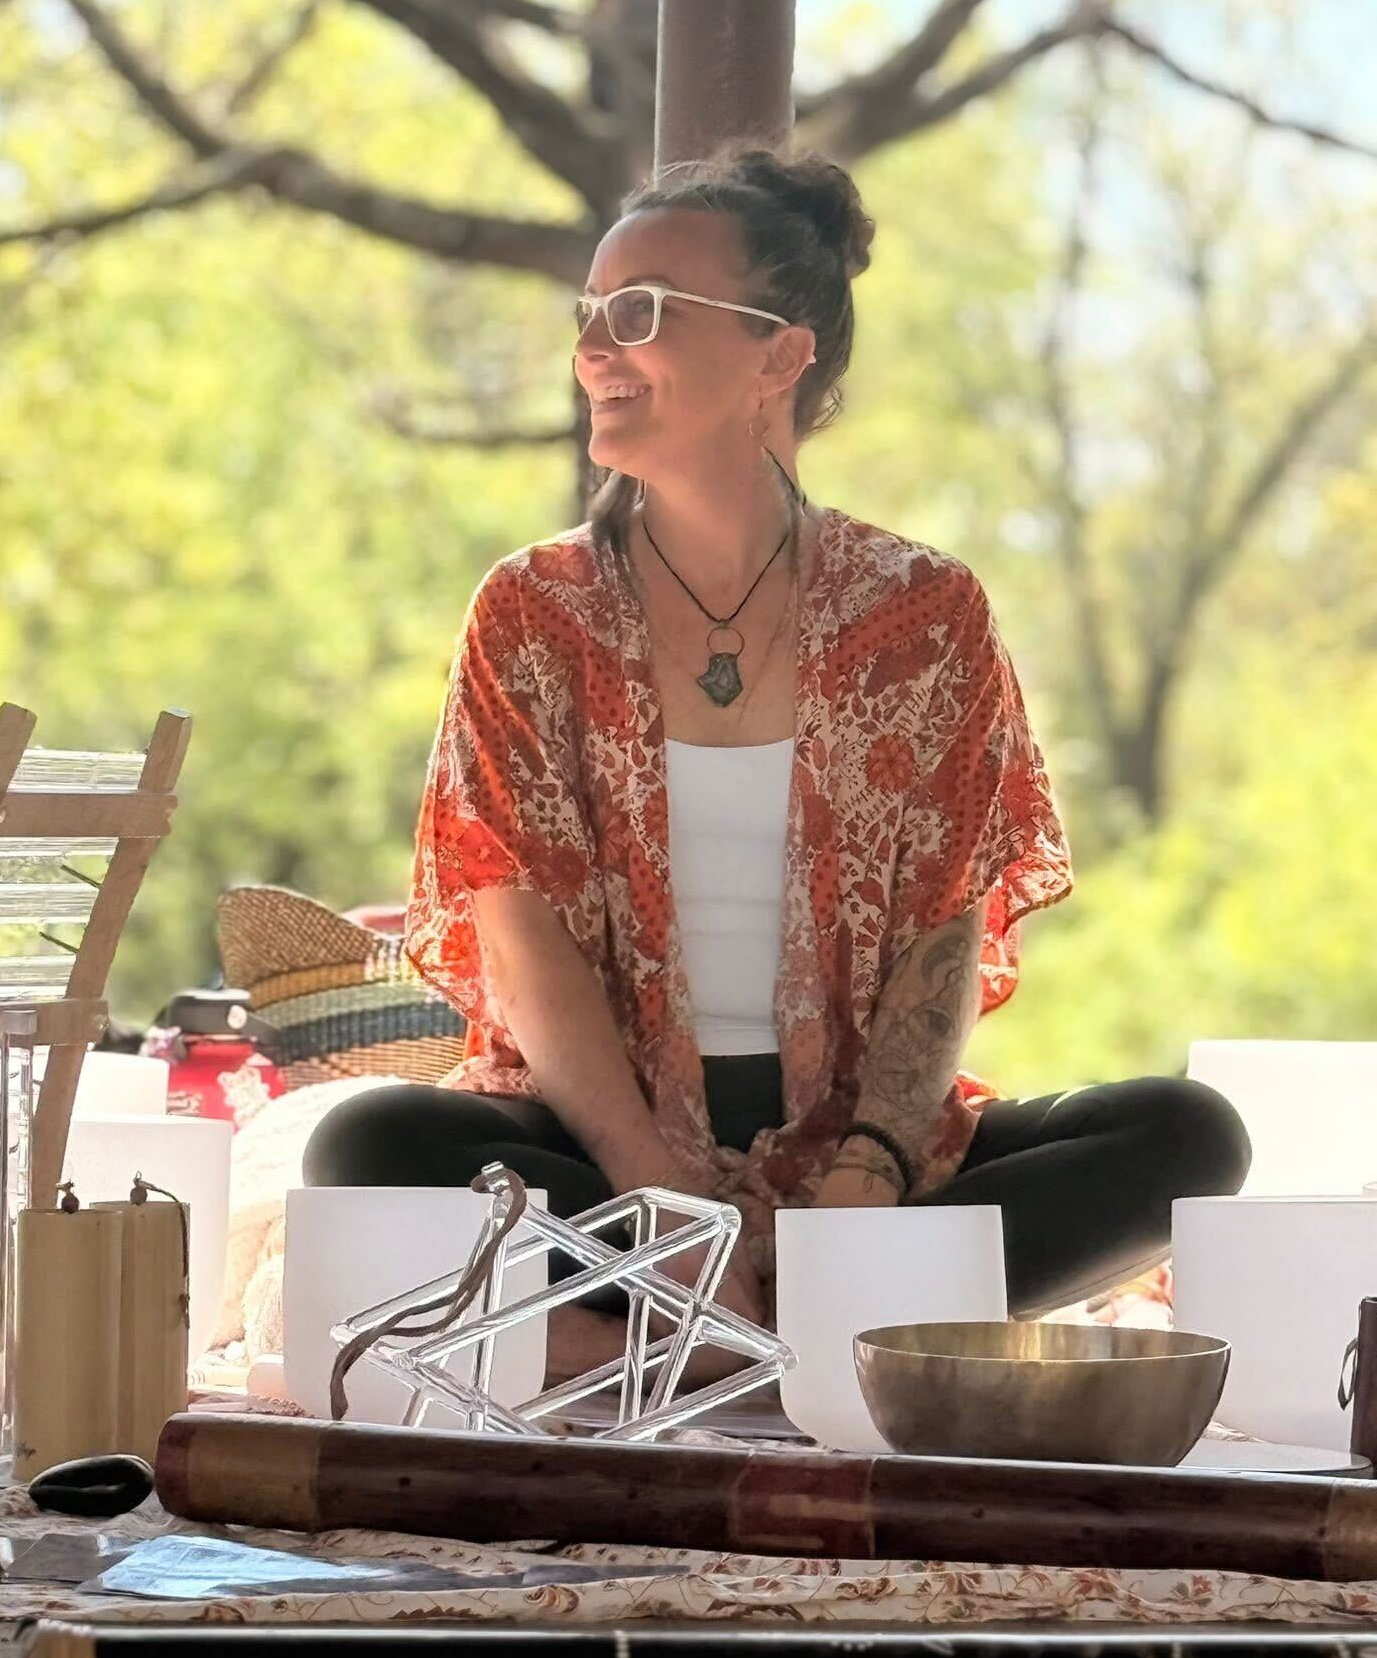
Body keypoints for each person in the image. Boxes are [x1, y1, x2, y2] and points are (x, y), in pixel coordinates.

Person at [305, 145, 1250, 1374]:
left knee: (1190, 1136)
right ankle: (824, 1336)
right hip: (603, 1152)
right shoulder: (530, 612)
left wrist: (871, 1163)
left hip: (868, 1165)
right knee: (371, 1145)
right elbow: (518, 944)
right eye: (591, 315)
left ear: (778, 352)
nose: (596, 349)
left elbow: (942, 938)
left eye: (639, 313)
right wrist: (660, 1196)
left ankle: (667, 1339)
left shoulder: (924, 613)